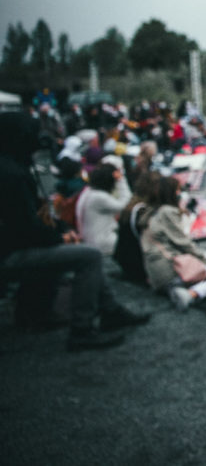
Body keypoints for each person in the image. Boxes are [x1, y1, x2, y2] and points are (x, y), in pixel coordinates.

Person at [0, 111, 150, 351]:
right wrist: (59, 237)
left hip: (15, 247)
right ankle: (83, 330)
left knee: (84, 252)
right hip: (10, 254)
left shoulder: (13, 167)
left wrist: (59, 231)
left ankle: (110, 311)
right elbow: (23, 227)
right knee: (89, 257)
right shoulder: (11, 175)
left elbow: (32, 219)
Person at [139, 175, 206, 311]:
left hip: (155, 272)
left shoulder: (151, 211)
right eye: (177, 190)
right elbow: (183, 242)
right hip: (170, 270)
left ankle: (180, 289)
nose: (180, 193)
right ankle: (190, 293)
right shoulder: (167, 212)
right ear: (171, 192)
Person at [75, 162, 129, 256]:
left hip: (89, 241)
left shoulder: (88, 191)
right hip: (102, 244)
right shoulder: (99, 197)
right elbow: (125, 204)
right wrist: (121, 180)